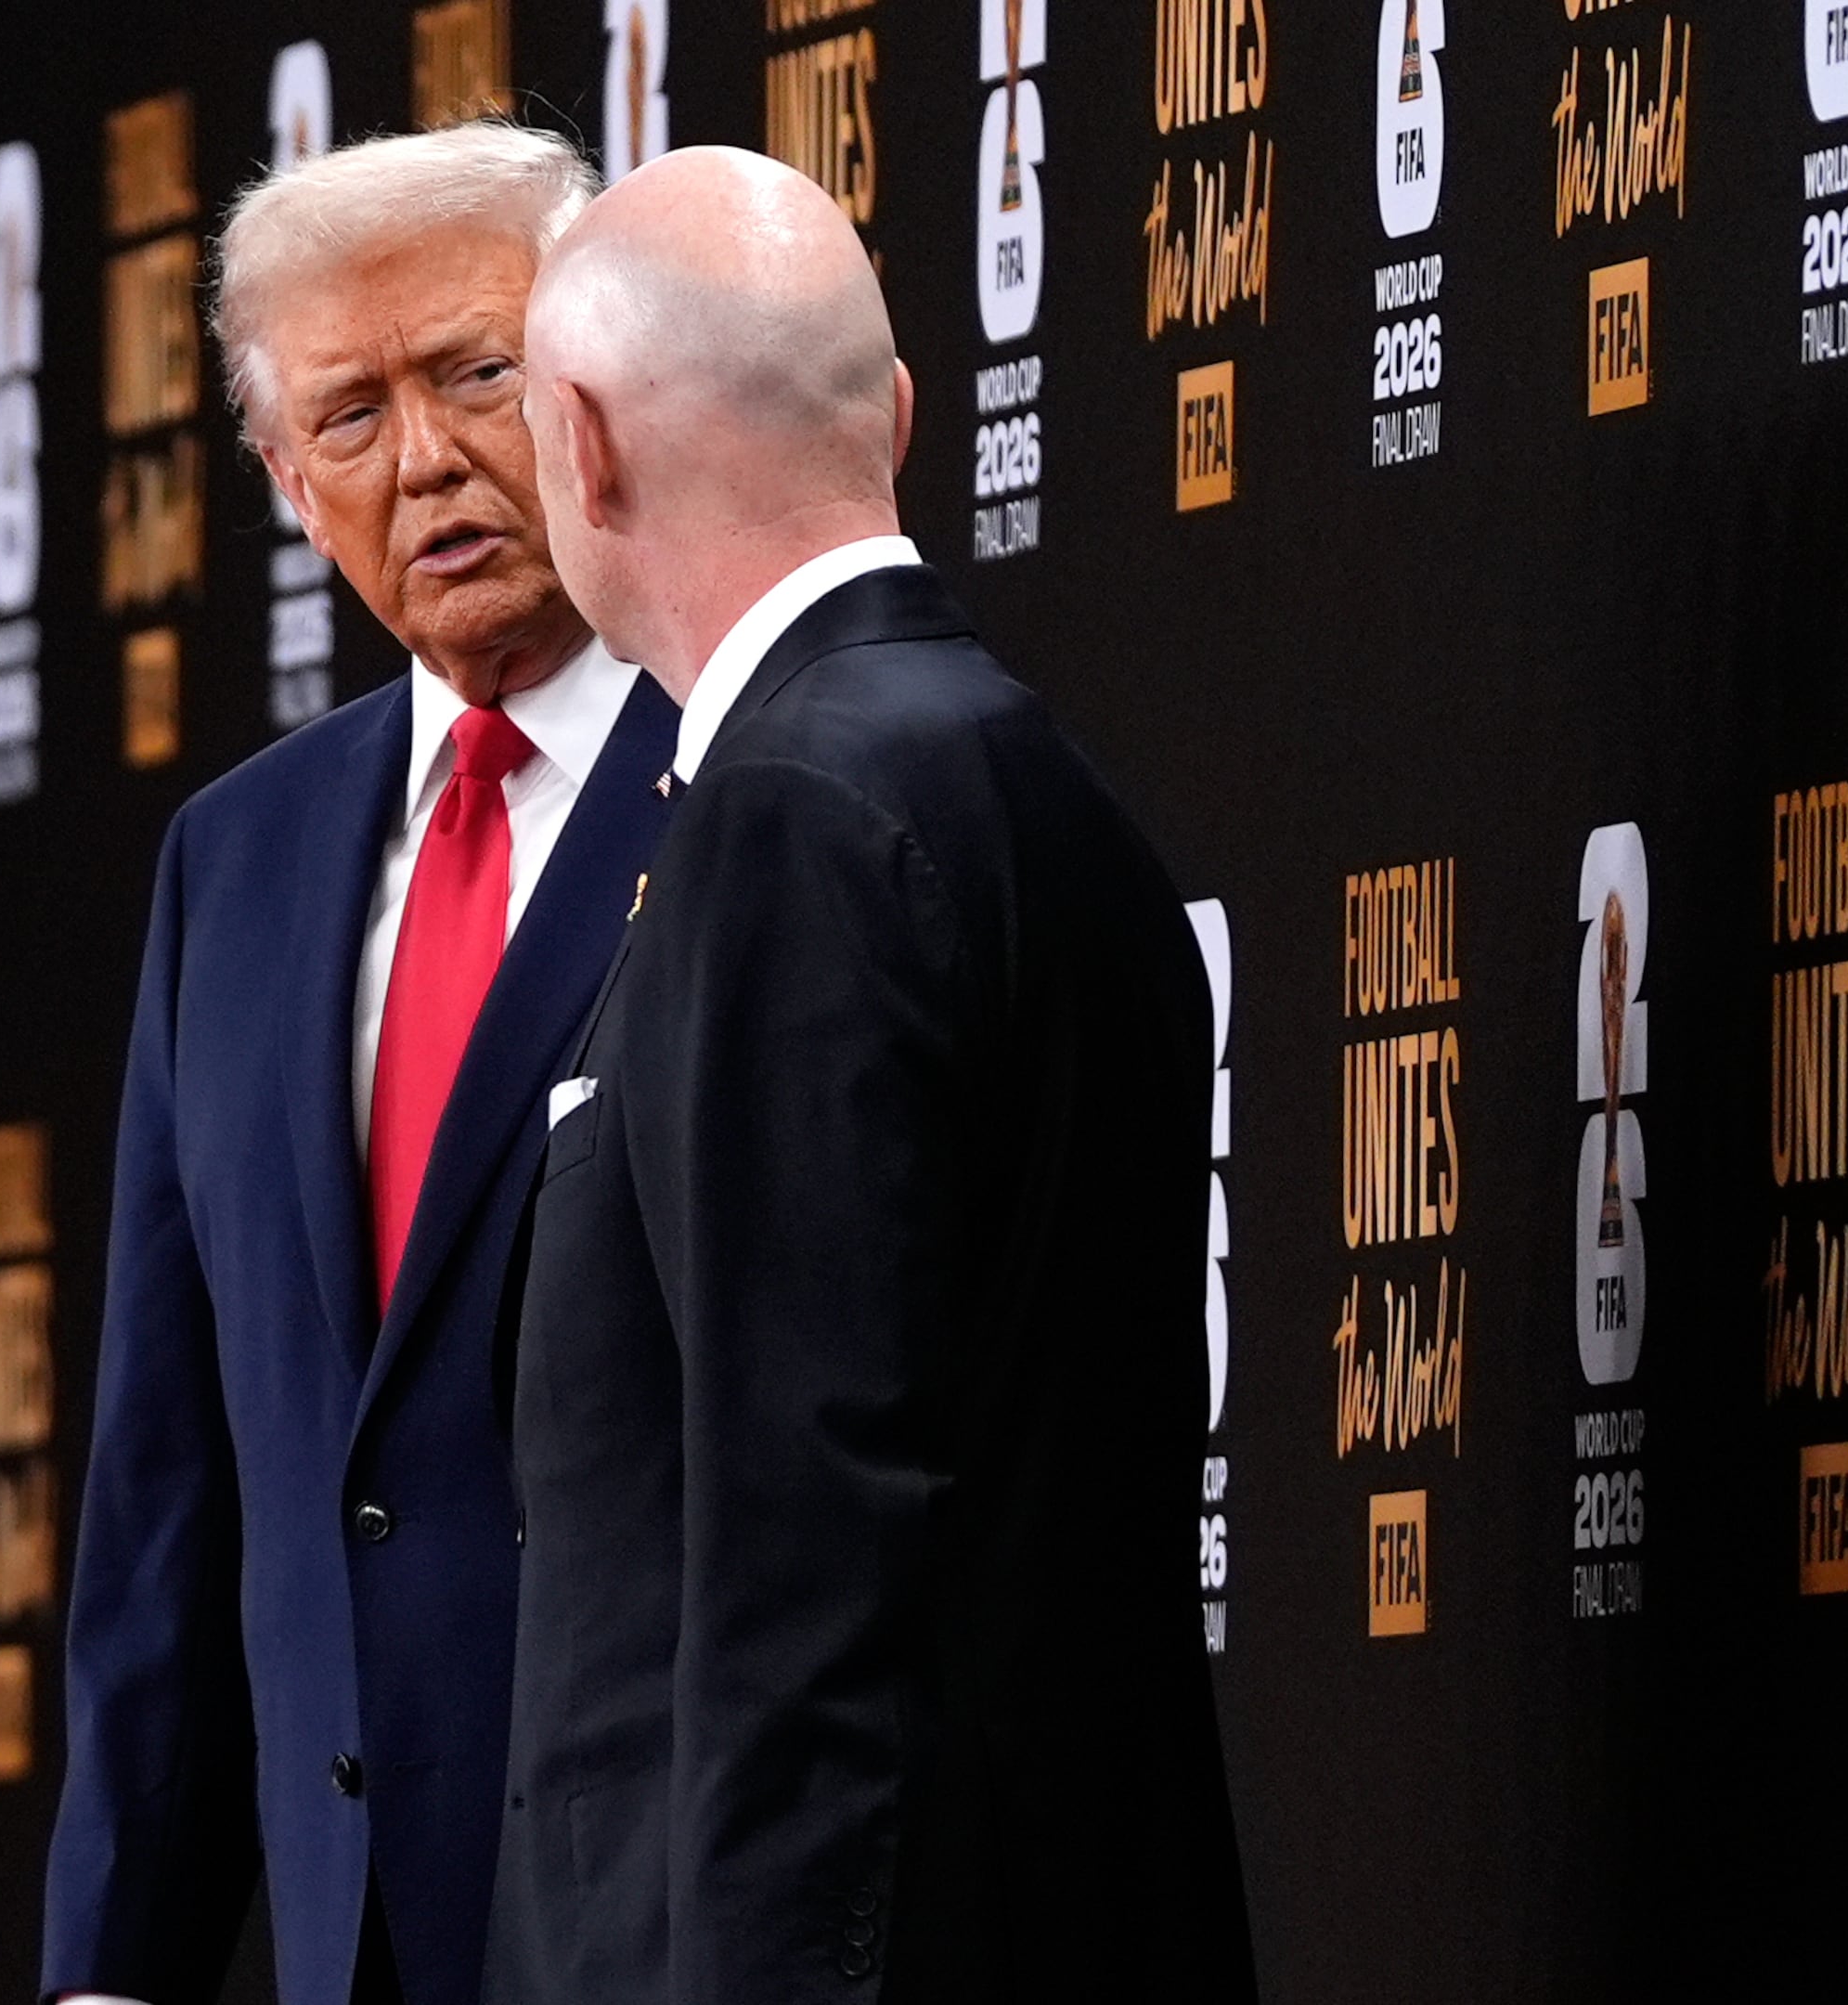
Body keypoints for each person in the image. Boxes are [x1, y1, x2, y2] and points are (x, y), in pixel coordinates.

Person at [486, 147, 1256, 2004]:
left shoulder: (784, 823)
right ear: (898, 415)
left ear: (582, 451)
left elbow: (805, 1552)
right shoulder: (1048, 796)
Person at [42, 123, 676, 2005]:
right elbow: (174, 1480)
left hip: (673, 1923)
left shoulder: (768, 788)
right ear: (283, 484)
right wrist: (112, 1968)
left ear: (596, 388)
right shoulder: (231, 868)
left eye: (477, 374)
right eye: (347, 418)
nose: (423, 462)